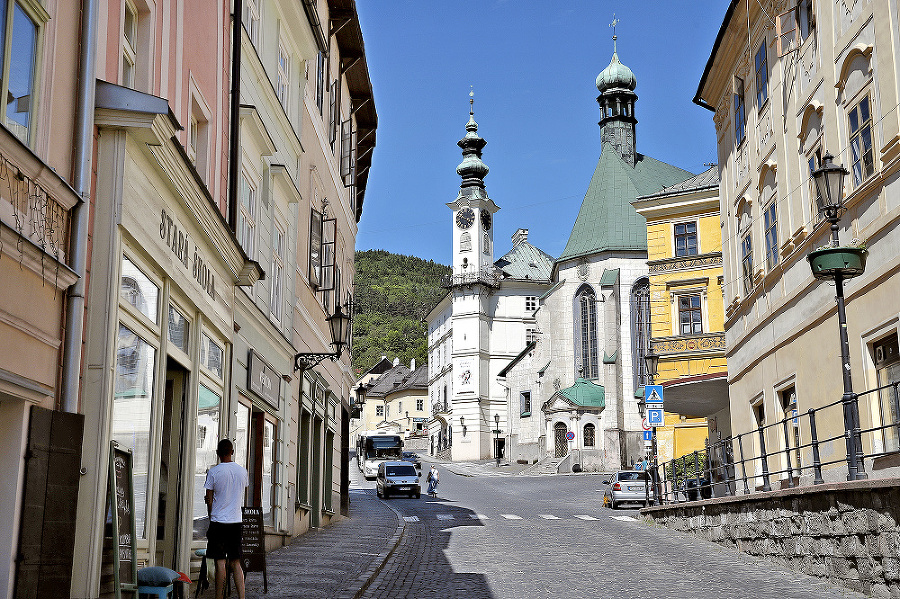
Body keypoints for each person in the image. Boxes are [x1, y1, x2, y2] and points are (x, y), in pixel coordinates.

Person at [205, 439, 249, 599]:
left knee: (220, 562)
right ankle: (242, 597)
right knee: (236, 562)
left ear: (218, 453)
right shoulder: (242, 472)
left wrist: (211, 514)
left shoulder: (213, 472)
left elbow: (209, 500)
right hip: (236, 522)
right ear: (232, 452)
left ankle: (219, 597)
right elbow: (242, 493)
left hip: (218, 523)